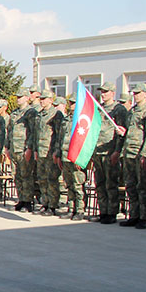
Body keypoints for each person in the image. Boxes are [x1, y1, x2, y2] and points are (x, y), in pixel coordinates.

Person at [118, 84, 146, 228]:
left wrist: (145, 155)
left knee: (142, 186)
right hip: (128, 152)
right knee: (130, 185)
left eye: (138, 93)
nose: (135, 95)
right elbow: (130, 130)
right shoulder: (132, 111)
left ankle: (144, 217)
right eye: (134, 93)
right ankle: (133, 215)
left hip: (139, 153)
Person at [91, 81, 128, 224]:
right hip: (98, 150)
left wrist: (117, 151)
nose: (103, 94)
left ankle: (112, 211)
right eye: (102, 91)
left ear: (113, 93)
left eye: (106, 92)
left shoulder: (118, 110)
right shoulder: (99, 109)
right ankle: (103, 211)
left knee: (111, 183)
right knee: (100, 183)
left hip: (109, 151)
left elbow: (122, 132)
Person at [7, 89, 38, 211]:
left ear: (27, 98)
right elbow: (9, 131)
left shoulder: (30, 112)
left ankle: (27, 201)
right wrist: (8, 147)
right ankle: (21, 199)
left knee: (26, 176)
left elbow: (32, 132)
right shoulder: (14, 113)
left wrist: (29, 147)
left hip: (23, 148)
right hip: (14, 148)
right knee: (17, 175)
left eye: (21, 97)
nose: (18, 99)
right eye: (17, 97)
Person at [34, 90, 63, 215]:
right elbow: (36, 134)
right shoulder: (39, 115)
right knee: (42, 179)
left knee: (52, 179)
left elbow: (59, 135)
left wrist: (56, 151)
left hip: (50, 152)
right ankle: (45, 203)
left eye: (44, 99)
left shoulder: (56, 114)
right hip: (40, 151)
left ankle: (53, 205)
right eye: (41, 98)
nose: (42, 101)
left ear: (51, 100)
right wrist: (35, 149)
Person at [57, 92, 86, 220]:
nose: (71, 105)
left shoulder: (83, 119)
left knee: (78, 185)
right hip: (65, 155)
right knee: (69, 184)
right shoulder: (67, 118)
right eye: (70, 102)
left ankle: (79, 210)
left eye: (74, 102)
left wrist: (81, 158)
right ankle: (71, 208)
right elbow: (60, 138)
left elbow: (85, 140)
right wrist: (58, 154)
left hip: (76, 157)